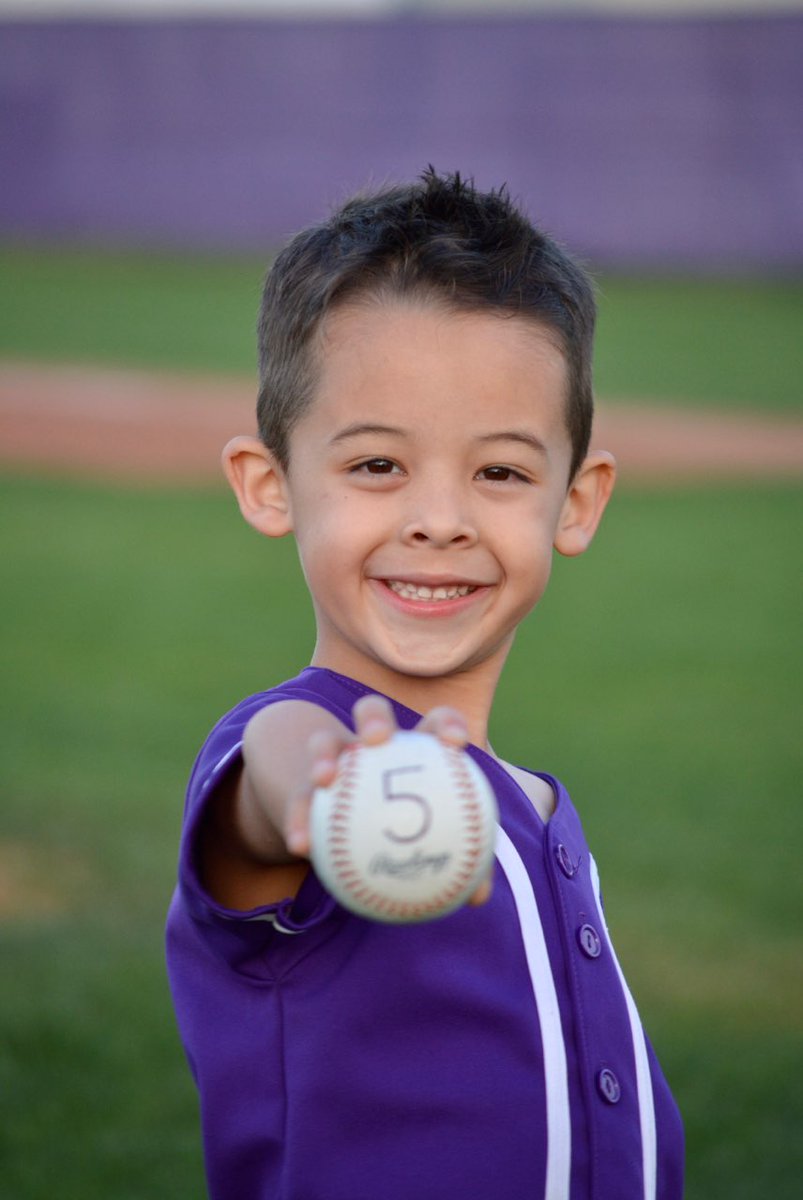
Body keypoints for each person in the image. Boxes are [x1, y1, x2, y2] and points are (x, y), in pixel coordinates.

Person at [166, 168, 684, 1200]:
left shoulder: (524, 800)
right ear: (269, 486)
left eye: (498, 472)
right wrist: (317, 783)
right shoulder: (297, 754)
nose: (438, 518)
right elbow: (264, 793)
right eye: (375, 467)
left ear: (573, 505)